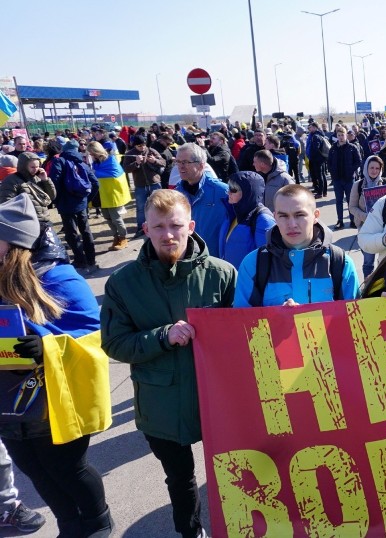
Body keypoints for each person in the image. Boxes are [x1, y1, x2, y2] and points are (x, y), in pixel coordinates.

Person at [101, 189, 236, 538]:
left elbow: (244, 336)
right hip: (161, 404)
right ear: (145, 229)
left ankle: (240, 524)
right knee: (181, 479)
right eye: (158, 226)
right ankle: (190, 531)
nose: (168, 234)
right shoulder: (123, 283)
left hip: (217, 400)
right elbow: (114, 343)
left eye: (175, 225)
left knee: (232, 469)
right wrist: (162, 336)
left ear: (190, 226)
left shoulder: (222, 274)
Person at [0, 194, 112, 537]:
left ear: (14, 243)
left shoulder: (59, 277)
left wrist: (46, 344)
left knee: (68, 469)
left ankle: (97, 524)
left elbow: (96, 334)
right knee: (34, 471)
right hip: (9, 403)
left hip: (55, 402)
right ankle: (69, 526)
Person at [233, 184, 359, 307]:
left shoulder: (340, 263)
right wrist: (278, 319)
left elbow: (355, 322)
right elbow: (242, 323)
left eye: (299, 215)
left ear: (315, 216)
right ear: (275, 217)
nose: (292, 224)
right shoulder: (254, 264)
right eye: (283, 216)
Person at [48, 140, 100, 273]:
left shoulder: (59, 162)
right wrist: (87, 199)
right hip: (81, 203)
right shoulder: (81, 162)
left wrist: (57, 200)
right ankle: (91, 260)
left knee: (71, 233)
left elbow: (54, 183)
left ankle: (80, 261)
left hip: (65, 204)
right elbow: (95, 183)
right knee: (86, 231)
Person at [174, 143, 229, 258]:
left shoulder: (222, 192)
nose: (180, 166)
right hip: (186, 258)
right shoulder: (176, 194)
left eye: (185, 162)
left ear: (201, 165)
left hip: (215, 259)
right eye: (178, 162)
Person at [218, 171, 275, 269]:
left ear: (247, 193)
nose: (228, 193)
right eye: (229, 188)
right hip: (231, 279)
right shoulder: (233, 213)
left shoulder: (263, 220)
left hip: (248, 281)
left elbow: (268, 261)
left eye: (233, 190)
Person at [350, 155, 386, 277]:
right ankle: (368, 288)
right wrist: (365, 216)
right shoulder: (358, 185)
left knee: (385, 260)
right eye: (371, 168)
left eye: (377, 168)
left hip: (384, 228)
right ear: (366, 168)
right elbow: (352, 207)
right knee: (368, 262)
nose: (374, 171)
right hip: (366, 228)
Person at [88, 141, 132, 251]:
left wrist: (94, 173)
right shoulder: (96, 162)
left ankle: (123, 237)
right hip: (102, 195)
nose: (91, 155)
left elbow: (115, 174)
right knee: (107, 217)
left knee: (116, 218)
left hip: (112, 194)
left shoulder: (111, 160)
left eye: (92, 153)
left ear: (96, 151)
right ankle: (116, 237)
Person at [122, 135, 166, 237]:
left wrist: (154, 160)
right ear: (135, 145)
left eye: (144, 144)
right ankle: (141, 228)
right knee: (141, 208)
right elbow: (125, 169)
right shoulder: (129, 154)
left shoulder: (151, 151)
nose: (142, 147)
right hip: (140, 185)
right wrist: (136, 163)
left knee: (159, 205)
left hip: (154, 183)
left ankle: (160, 224)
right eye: (139, 145)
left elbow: (163, 162)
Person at [0, 151, 56, 225]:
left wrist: (46, 180)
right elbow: (7, 203)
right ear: (24, 166)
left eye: (37, 166)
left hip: (44, 220)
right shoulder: (11, 181)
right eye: (32, 167)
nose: (36, 169)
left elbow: (52, 196)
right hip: (27, 222)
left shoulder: (38, 178)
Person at [327, 126, 361, 230]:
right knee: (339, 200)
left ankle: (352, 221)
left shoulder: (352, 147)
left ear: (346, 135)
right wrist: (332, 172)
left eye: (343, 135)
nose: (341, 137)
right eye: (339, 135)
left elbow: (358, 161)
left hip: (349, 179)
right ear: (336, 136)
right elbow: (329, 162)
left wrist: (351, 170)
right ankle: (340, 221)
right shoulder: (333, 148)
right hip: (337, 179)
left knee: (351, 201)